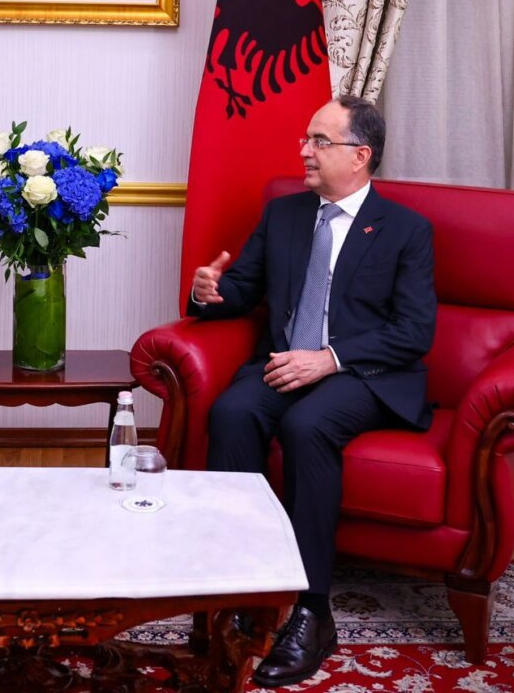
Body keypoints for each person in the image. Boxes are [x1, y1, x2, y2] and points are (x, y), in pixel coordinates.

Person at [189, 95, 435, 687]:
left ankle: (311, 610)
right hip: (283, 365)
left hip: (364, 376)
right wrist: (209, 291)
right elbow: (242, 289)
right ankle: (241, 587)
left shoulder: (406, 229)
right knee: (233, 412)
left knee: (307, 425)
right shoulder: (285, 215)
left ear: (360, 155)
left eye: (319, 141)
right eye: (306, 139)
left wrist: (329, 359)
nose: (304, 150)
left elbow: (413, 332)